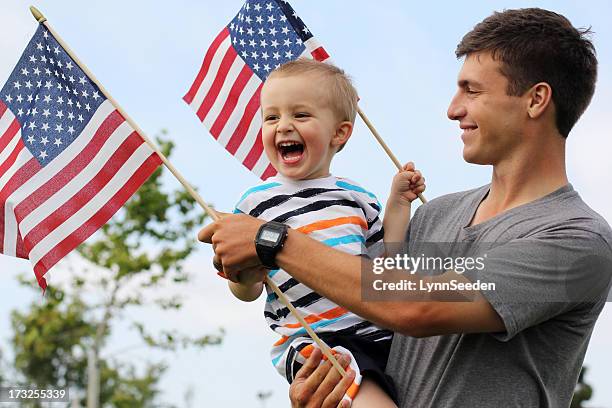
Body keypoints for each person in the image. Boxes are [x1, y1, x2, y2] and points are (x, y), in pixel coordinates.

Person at [199, 8, 612, 408]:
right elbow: (378, 292)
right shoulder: (436, 215)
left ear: (536, 99)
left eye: (472, 89)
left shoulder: (576, 240)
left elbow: (414, 305)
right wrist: (322, 391)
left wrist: (268, 239)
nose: (453, 108)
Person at [224, 59, 424, 407]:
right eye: (272, 117)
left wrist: (399, 202)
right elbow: (245, 291)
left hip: (380, 332)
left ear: (339, 133)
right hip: (317, 341)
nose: (283, 126)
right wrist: (245, 274)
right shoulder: (256, 204)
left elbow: (387, 259)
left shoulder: (356, 197)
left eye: (300, 116)